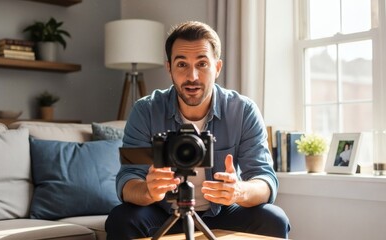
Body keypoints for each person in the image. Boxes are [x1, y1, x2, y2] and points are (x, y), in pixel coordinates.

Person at [105, 21, 290, 239]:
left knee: (275, 220)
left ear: (217, 68)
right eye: (182, 65)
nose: (192, 76)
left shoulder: (242, 110)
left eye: (202, 64)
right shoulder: (145, 110)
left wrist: (238, 190)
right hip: (163, 211)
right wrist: (148, 190)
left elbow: (265, 179)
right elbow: (127, 180)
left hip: (223, 211)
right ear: (169, 68)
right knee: (121, 219)